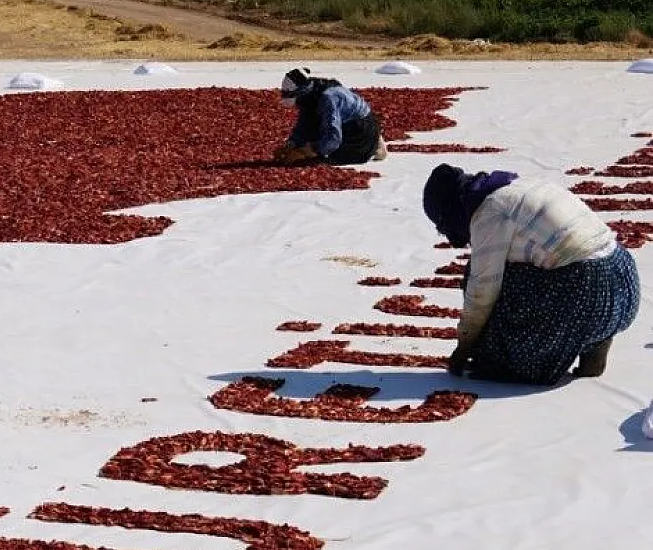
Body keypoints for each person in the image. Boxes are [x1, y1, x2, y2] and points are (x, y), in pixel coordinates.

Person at [422, 163, 639, 385]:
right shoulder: (517, 184)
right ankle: (595, 340)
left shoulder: (489, 212)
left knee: (482, 278)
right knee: (523, 263)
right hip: (622, 280)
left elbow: (482, 290)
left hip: (585, 289)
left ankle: (531, 354)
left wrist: (466, 345)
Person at [272, 68, 388, 165]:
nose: (297, 105)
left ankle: (373, 145)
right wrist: (292, 144)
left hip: (360, 129)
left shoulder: (328, 98)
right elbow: (305, 122)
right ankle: (373, 142)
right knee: (314, 135)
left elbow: (333, 136)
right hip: (349, 124)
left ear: (301, 93)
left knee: (325, 157)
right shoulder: (311, 92)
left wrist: (307, 152)